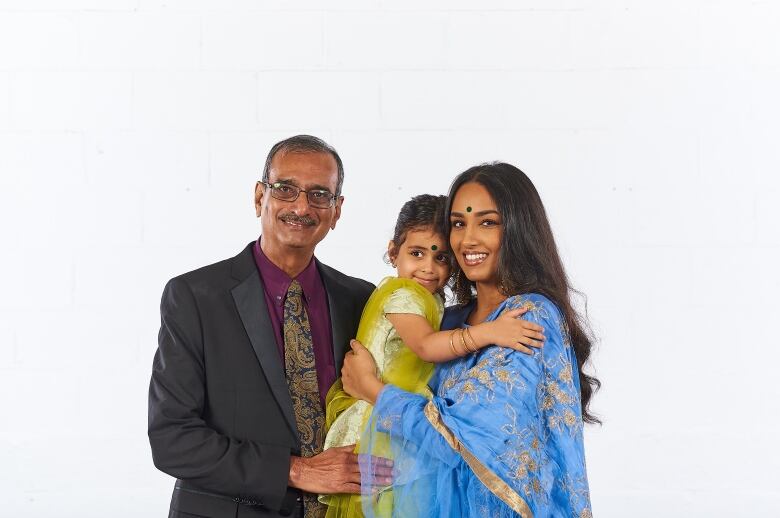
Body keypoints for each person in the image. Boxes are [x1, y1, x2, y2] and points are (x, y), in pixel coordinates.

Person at [342, 163, 599, 517]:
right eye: (459, 224)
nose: (469, 239)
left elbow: (454, 441)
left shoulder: (528, 317)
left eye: (488, 222)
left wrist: (370, 387)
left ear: (518, 230)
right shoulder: (452, 320)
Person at [148, 135, 386, 518]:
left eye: (319, 194)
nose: (302, 206)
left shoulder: (359, 299)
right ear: (260, 197)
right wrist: (297, 470)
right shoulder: (194, 297)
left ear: (337, 210)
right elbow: (172, 439)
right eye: (286, 189)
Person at [321, 194, 545, 518]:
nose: (428, 267)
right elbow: (426, 346)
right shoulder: (404, 294)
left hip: (397, 415)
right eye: (417, 253)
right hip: (375, 422)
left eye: (441, 258)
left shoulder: (433, 300)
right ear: (392, 251)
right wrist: (490, 332)